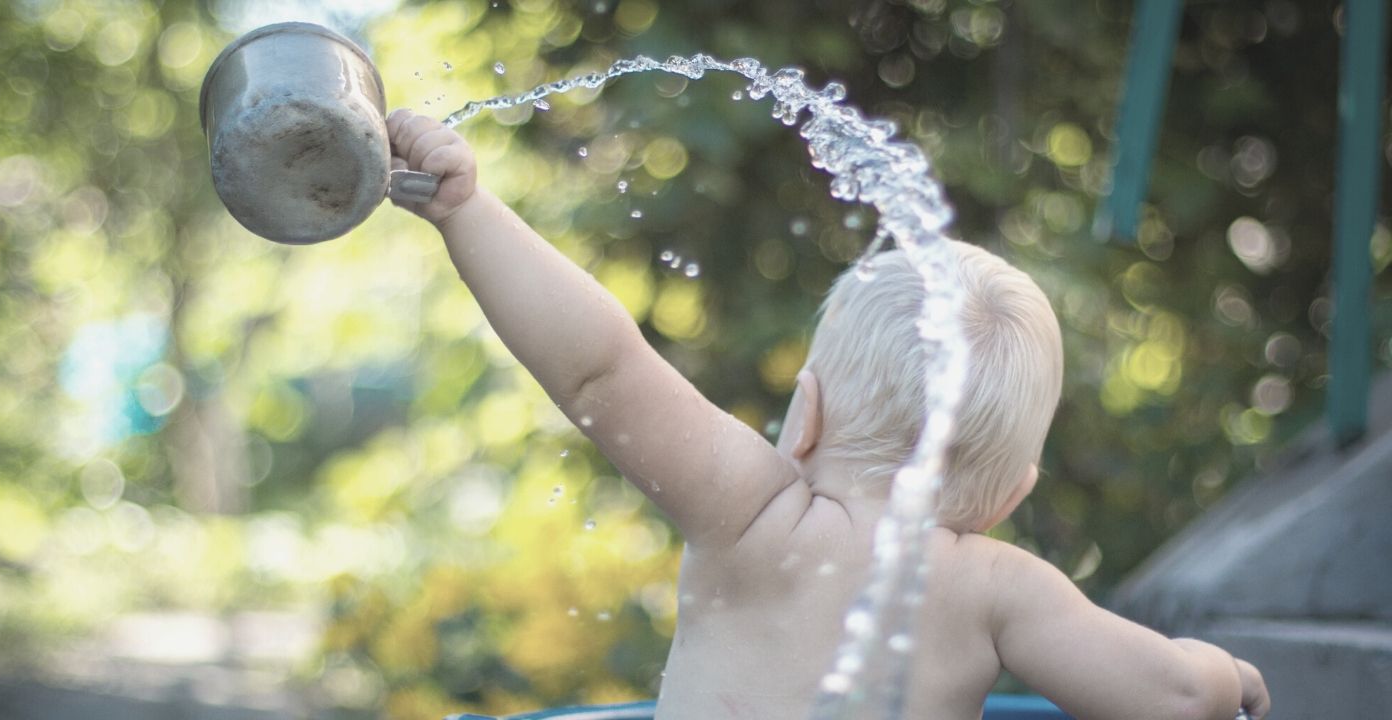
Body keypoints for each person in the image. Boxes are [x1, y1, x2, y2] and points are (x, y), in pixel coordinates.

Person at [384, 109, 1271, 720]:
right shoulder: (998, 589)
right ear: (1010, 496)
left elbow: (601, 373)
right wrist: (1222, 671)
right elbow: (1173, 701)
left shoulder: (751, 512)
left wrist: (467, 209)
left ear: (803, 414)